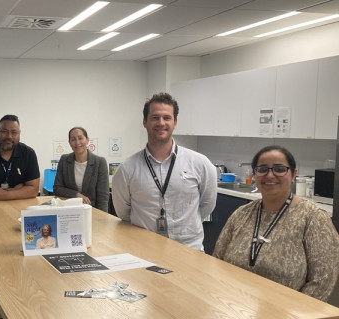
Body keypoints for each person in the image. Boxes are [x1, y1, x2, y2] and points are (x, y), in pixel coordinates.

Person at [213, 145, 339, 301]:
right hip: (233, 306)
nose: (270, 175)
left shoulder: (313, 219)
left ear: (293, 175)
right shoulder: (242, 213)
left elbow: (323, 281)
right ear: (254, 175)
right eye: (263, 169)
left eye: (279, 169)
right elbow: (218, 261)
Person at [112, 92, 217, 250]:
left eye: (166, 118)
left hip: (189, 251)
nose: (161, 123)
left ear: (175, 122)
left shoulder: (200, 164)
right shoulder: (127, 169)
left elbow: (206, 206)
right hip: (145, 251)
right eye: (155, 117)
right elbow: (124, 213)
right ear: (144, 122)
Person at [53, 126, 109, 211]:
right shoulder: (64, 160)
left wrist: (103, 218)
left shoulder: (100, 162)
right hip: (69, 211)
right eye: (73, 139)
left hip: (92, 211)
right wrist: (76, 194)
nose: (77, 142)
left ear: (87, 140)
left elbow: (103, 197)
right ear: (69, 143)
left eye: (80, 138)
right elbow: (57, 188)